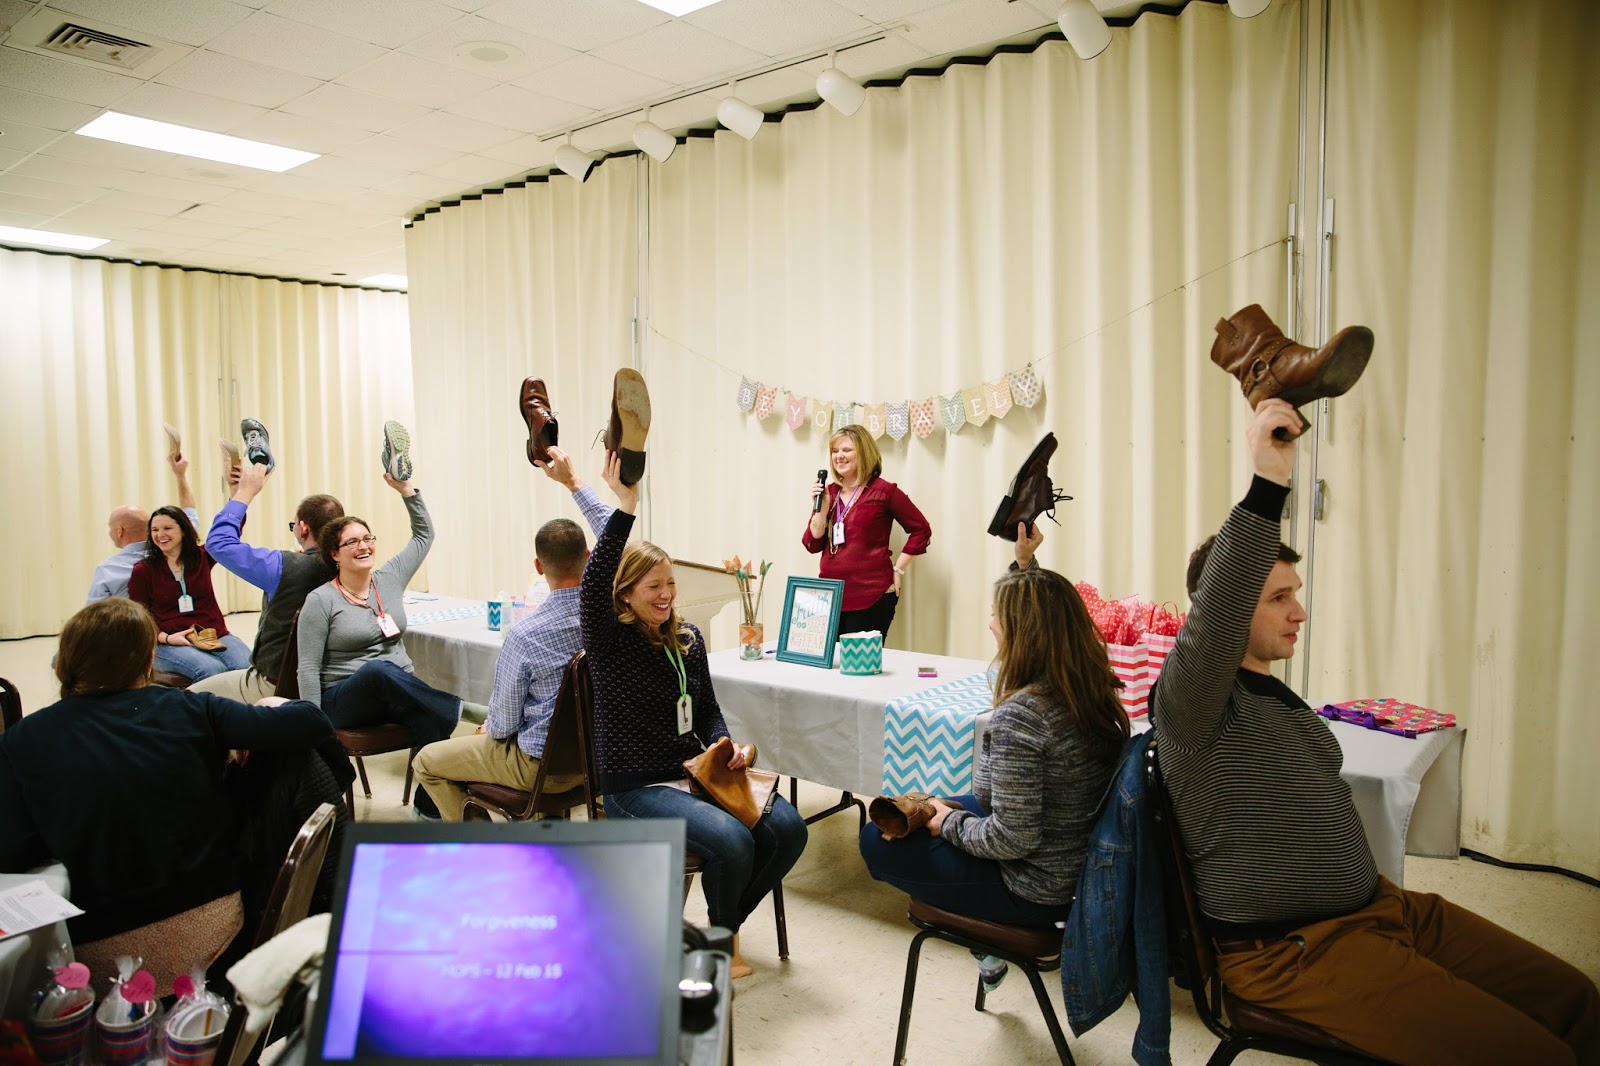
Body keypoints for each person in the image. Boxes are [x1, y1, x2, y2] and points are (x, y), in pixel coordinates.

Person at [1152, 399, 1599, 1066]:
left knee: (1576, 1000)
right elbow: (1214, 612)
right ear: (1228, 607)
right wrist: (1269, 481)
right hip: (1290, 954)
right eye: (1278, 598)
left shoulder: (1274, 695)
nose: (1300, 612)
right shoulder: (1189, 705)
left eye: (1296, 592)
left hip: (1382, 911)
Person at [0, 597, 332, 992]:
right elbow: (313, 721)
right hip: (212, 925)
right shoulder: (189, 708)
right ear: (148, 660)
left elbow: (12, 854)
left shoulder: (23, 740)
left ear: (66, 662)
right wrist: (268, 706)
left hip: (101, 956)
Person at [859, 521, 1129, 989]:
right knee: (942, 803)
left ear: (1021, 633)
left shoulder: (1022, 717)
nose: (989, 623)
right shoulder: (1090, 689)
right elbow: (1042, 603)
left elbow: (1011, 839)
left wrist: (948, 823)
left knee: (875, 839)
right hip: (1072, 862)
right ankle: (981, 938)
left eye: (994, 615)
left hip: (1035, 888)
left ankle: (985, 940)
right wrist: (1024, 563)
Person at [584, 452, 808, 979]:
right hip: (634, 788)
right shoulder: (610, 642)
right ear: (625, 595)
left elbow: (706, 709)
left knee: (790, 830)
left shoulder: (688, 639)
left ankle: (713, 933)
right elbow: (593, 583)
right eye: (653, 587)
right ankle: (717, 944)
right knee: (732, 842)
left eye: (670, 584)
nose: (666, 595)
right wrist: (626, 505)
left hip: (695, 774)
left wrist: (724, 744)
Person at [412, 447, 613, 821]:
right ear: (589, 557)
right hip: (603, 761)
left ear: (538, 566)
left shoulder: (525, 635)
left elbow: (503, 725)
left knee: (427, 761)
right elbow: (618, 539)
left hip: (541, 771)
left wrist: (489, 727)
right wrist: (573, 482)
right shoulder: (612, 611)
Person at [296, 466, 466, 821]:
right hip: (344, 699)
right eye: (352, 542)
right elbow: (308, 667)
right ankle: (457, 707)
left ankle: (428, 811)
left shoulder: (388, 578)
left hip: (394, 694)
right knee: (377, 670)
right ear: (334, 554)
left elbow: (424, 535)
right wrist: (313, 726)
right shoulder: (321, 600)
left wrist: (407, 491)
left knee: (430, 721)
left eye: (367, 538)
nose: (363, 546)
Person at [197, 459, 342, 702]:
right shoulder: (349, 566)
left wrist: (245, 493)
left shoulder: (283, 566)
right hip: (330, 683)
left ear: (303, 528)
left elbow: (219, 543)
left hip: (276, 684)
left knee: (186, 700)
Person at [128, 452, 251, 682]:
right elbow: (139, 617)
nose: (160, 535)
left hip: (212, 633)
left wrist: (236, 491)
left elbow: (230, 531)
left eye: (167, 528)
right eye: (155, 530)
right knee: (211, 671)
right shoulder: (143, 570)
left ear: (183, 531)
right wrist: (166, 638)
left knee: (246, 668)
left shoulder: (202, 557)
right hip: (168, 641)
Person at [802, 424, 931, 639]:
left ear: (863, 452)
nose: (839, 456)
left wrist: (898, 569)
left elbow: (921, 529)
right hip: (830, 596)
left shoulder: (884, 491)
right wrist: (821, 511)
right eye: (835, 451)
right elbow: (813, 544)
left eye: (846, 450)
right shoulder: (829, 493)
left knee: (860, 660)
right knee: (829, 659)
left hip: (871, 596)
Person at [86, 453, 197, 603]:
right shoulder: (178, 546)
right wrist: (180, 475)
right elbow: (189, 513)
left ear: (119, 531)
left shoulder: (108, 570)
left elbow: (95, 613)